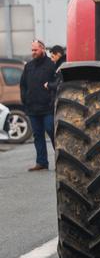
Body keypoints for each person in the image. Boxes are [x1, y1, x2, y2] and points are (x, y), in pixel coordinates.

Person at [20, 40, 57, 172]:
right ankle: (41, 162)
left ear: (43, 49)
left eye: (35, 50)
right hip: (33, 108)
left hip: (47, 107)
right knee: (38, 135)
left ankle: (61, 160)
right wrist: (25, 100)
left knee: (51, 131)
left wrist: (51, 100)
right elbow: (23, 84)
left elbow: (56, 83)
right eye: (32, 50)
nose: (33, 53)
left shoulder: (51, 65)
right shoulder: (28, 66)